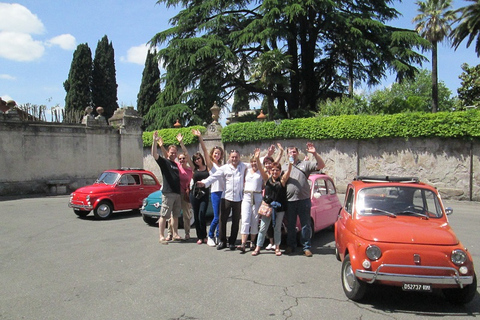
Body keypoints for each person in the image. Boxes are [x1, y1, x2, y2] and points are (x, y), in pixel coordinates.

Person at [196, 150, 247, 251]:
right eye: (232, 157)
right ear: (229, 157)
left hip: (238, 199)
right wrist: (204, 183)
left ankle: (232, 242)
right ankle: (222, 241)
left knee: (236, 221)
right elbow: (214, 177)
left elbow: (257, 162)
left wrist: (268, 155)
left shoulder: (243, 166)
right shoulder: (224, 168)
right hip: (226, 197)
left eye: (236, 157)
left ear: (239, 157)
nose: (234, 159)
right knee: (222, 220)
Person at [283, 143, 325, 257]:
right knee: (291, 225)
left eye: (294, 152)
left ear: (298, 153)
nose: (293, 153)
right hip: (290, 200)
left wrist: (314, 153)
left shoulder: (305, 164)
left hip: (303, 200)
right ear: (287, 154)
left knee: (305, 224)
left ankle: (306, 247)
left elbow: (321, 165)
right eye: (290, 152)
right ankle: (291, 245)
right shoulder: (284, 166)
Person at [252, 152, 292, 256]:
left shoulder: (282, 181)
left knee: (277, 228)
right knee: (263, 228)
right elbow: (260, 169)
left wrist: (290, 163)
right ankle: (258, 247)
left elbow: (288, 172)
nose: (275, 172)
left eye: (277, 170)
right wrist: (257, 159)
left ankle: (277, 247)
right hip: (267, 207)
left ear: (280, 171)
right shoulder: (267, 179)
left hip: (279, 208)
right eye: (273, 170)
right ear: (270, 170)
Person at [192, 129, 224, 247]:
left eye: (219, 153)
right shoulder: (211, 165)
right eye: (215, 153)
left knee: (222, 217)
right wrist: (200, 137)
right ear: (212, 154)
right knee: (216, 217)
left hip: (224, 193)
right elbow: (204, 150)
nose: (217, 155)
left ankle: (218, 236)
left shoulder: (223, 165)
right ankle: (210, 236)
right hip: (215, 192)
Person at [151, 131, 182, 244]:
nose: (173, 154)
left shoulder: (175, 164)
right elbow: (154, 154)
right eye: (171, 152)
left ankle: (175, 234)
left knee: (175, 216)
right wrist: (154, 141)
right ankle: (161, 236)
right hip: (168, 193)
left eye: (175, 153)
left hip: (177, 193)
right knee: (164, 215)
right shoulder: (164, 162)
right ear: (168, 153)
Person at [164, 133, 194, 241]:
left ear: (186, 159)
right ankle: (170, 234)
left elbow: (186, 153)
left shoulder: (190, 170)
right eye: (180, 158)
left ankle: (187, 233)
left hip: (185, 194)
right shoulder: (176, 166)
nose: (181, 160)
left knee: (186, 215)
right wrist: (161, 145)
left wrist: (181, 143)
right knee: (173, 215)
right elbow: (167, 156)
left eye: (183, 158)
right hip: (175, 193)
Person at [238, 151, 263, 253]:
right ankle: (243, 243)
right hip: (247, 195)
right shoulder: (247, 170)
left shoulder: (261, 171)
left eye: (256, 162)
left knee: (255, 219)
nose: (254, 164)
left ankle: (252, 241)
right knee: (245, 218)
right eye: (252, 162)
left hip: (257, 195)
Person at [189, 152, 210, 244]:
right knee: (196, 215)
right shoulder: (194, 169)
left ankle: (204, 235)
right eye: (195, 160)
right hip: (195, 194)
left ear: (201, 158)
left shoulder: (207, 168)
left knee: (202, 214)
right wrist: (181, 143)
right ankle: (200, 237)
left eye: (198, 158)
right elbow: (186, 154)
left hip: (204, 194)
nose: (197, 161)